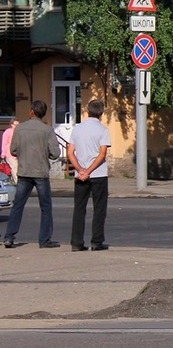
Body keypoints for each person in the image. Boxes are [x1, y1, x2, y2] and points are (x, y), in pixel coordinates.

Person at [3, 100, 61, 248]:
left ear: (31, 112)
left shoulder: (20, 128)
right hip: (41, 172)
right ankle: (44, 240)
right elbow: (55, 153)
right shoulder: (47, 130)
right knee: (46, 207)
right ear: (43, 114)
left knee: (18, 205)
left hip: (24, 171)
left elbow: (13, 150)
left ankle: (9, 237)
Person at [68, 99, 112, 252]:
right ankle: (97, 241)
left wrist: (81, 170)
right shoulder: (103, 130)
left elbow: (70, 153)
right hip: (98, 174)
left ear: (87, 111)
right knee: (99, 208)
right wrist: (89, 171)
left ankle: (76, 242)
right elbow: (102, 154)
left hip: (80, 175)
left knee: (79, 208)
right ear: (101, 113)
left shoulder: (77, 129)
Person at [2, 118, 18, 182]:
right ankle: (18, 183)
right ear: (11, 124)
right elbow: (4, 142)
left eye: (18, 125)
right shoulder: (8, 132)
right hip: (10, 153)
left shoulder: (19, 132)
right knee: (14, 168)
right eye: (15, 125)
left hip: (18, 154)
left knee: (17, 168)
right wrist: (3, 153)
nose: (17, 126)